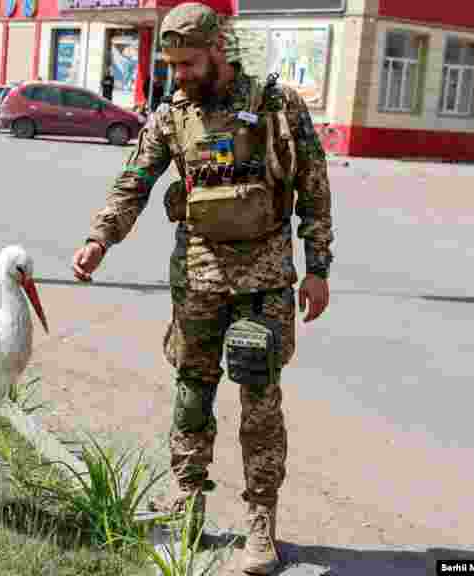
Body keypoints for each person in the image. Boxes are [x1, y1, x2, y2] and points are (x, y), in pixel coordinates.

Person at [70, 3, 333, 574]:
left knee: (260, 400)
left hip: (264, 281)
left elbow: (313, 182)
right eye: (173, 64)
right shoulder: (172, 114)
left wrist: (318, 265)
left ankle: (260, 522)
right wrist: (100, 239)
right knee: (192, 394)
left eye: (189, 62)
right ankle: (188, 501)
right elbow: (134, 181)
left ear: (218, 48)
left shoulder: (275, 103)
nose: (180, 73)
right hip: (197, 279)